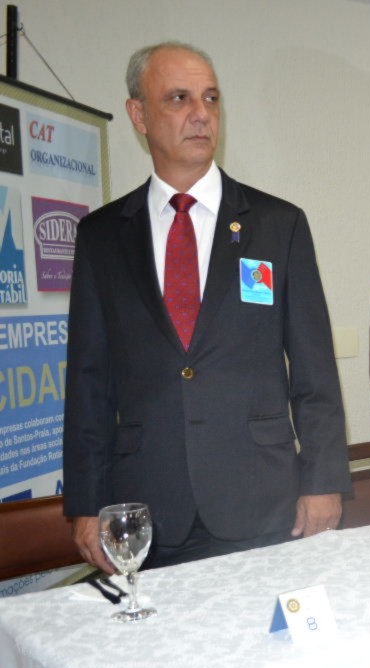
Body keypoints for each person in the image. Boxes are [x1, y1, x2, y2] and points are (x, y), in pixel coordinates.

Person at [64, 42, 350, 572]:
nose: (201, 114)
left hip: (264, 501)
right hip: (147, 509)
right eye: (179, 98)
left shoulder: (277, 225)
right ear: (138, 115)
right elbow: (88, 383)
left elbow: (314, 369)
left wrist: (323, 481)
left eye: (211, 98)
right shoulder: (102, 237)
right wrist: (85, 503)